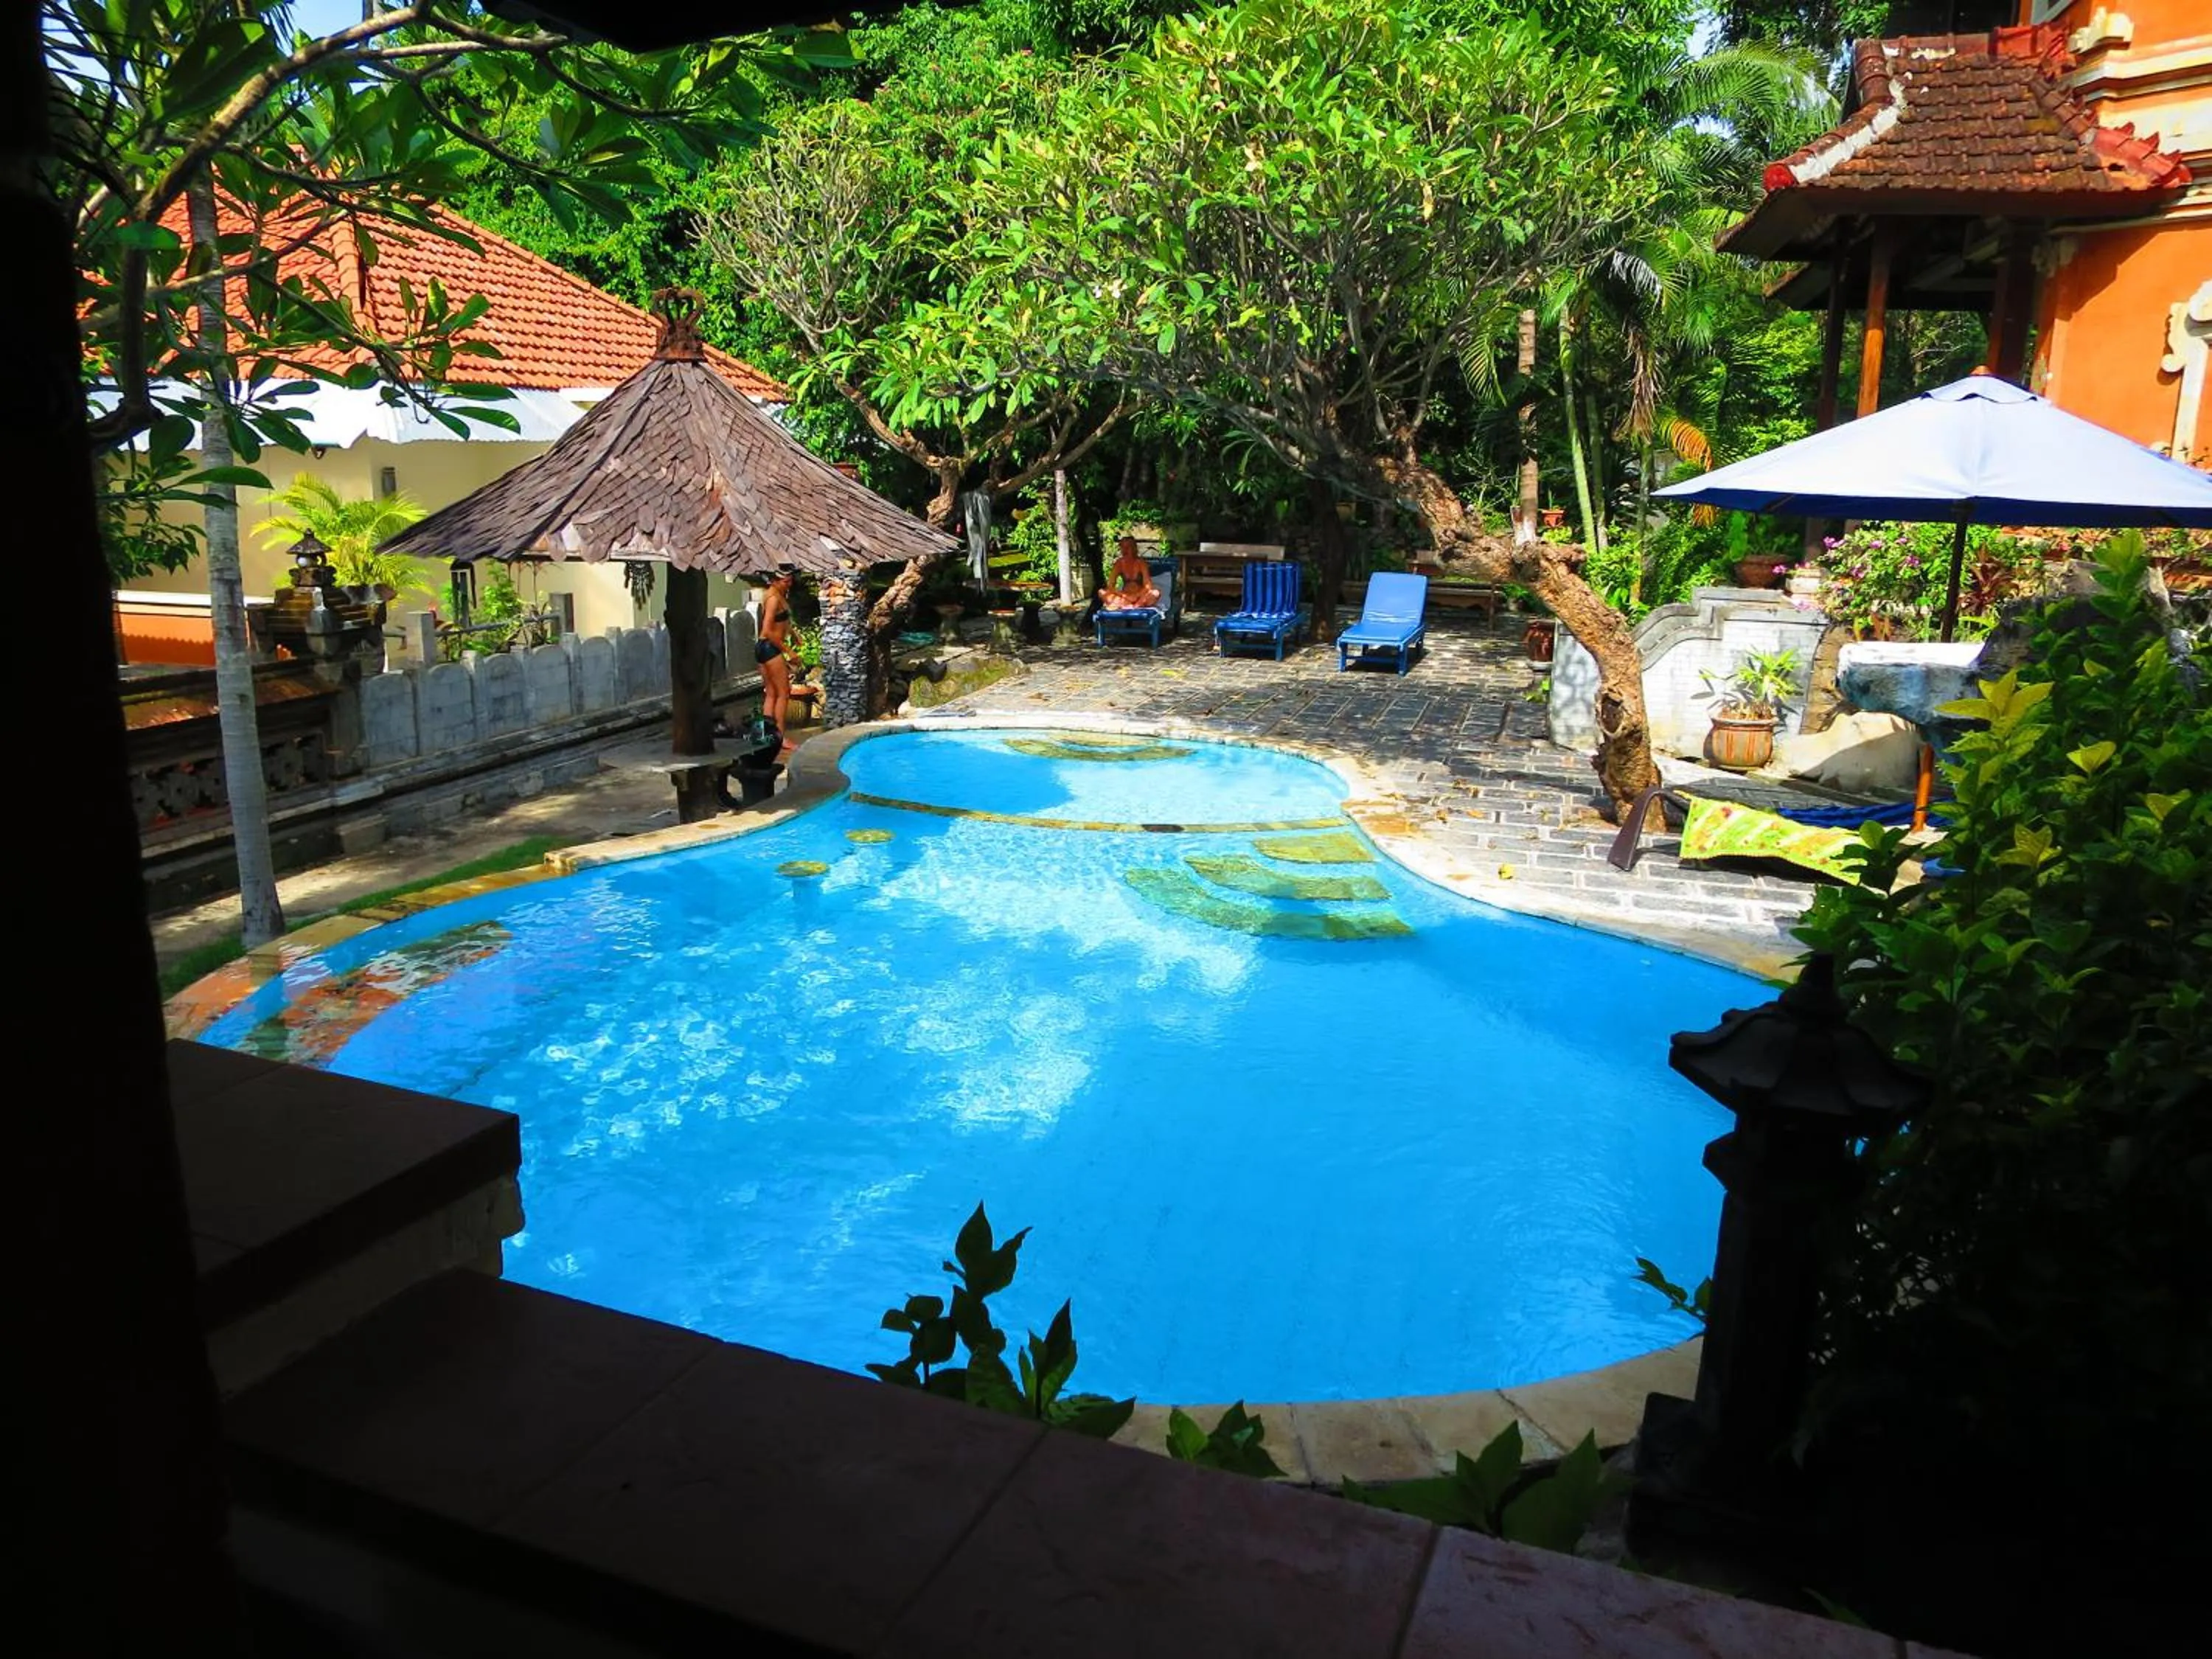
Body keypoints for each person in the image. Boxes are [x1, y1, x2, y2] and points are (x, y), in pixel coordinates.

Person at [756, 566, 799, 751]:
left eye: (790, 580)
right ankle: (780, 738)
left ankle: (765, 736)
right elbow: (767, 631)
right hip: (770, 647)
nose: (789, 584)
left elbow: (780, 622)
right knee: (783, 693)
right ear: (774, 580)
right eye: (785, 581)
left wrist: (794, 633)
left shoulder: (776, 594)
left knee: (772, 693)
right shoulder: (773, 598)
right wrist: (789, 651)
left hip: (764, 648)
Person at [1097, 534, 1159, 611]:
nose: (1125, 550)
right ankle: (1130, 605)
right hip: (1124, 597)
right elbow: (1110, 585)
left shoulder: (1141, 563)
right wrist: (1124, 595)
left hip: (1140, 597)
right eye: (1123, 547)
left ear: (1134, 548)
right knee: (1101, 592)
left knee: (1156, 593)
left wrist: (1136, 596)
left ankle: (1132, 606)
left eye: (1128, 547)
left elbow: (1148, 586)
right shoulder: (1119, 563)